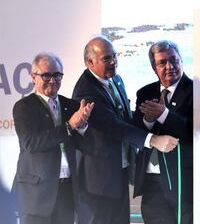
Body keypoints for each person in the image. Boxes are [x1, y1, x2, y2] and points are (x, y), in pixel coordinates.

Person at [72, 36, 179, 224]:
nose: (114, 62)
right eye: (107, 58)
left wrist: (147, 118)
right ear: (90, 62)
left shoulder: (115, 79)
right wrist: (153, 140)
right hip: (97, 184)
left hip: (119, 174)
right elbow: (113, 126)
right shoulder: (86, 90)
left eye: (115, 56)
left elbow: (124, 118)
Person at [12, 52, 94, 224]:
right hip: (36, 194)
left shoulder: (71, 105)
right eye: (46, 75)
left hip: (67, 189)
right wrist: (70, 125)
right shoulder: (24, 107)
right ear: (33, 77)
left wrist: (83, 126)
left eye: (57, 75)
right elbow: (31, 144)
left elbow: (86, 146)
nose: (52, 80)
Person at [132, 40, 193, 224]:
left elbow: (191, 130)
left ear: (181, 60)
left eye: (174, 60)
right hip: (151, 180)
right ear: (153, 67)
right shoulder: (145, 92)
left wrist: (164, 114)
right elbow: (135, 131)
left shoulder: (194, 90)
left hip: (182, 181)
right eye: (162, 62)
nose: (170, 66)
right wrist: (148, 120)